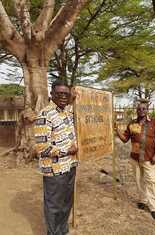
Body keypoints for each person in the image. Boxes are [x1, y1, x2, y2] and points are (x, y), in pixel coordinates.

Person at [34, 79, 78, 235]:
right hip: (54, 170)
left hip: (70, 166)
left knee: (67, 202)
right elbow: (42, 147)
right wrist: (67, 151)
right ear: (51, 94)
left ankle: (62, 230)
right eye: (59, 93)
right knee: (54, 205)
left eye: (66, 94)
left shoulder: (67, 113)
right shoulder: (45, 115)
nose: (63, 97)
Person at [116, 99, 155, 220]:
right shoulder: (132, 124)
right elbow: (124, 139)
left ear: (147, 110)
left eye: (144, 108)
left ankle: (154, 208)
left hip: (149, 158)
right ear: (136, 111)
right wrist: (117, 129)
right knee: (139, 181)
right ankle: (143, 200)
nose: (141, 111)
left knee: (151, 182)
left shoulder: (154, 123)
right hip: (135, 158)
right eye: (139, 109)